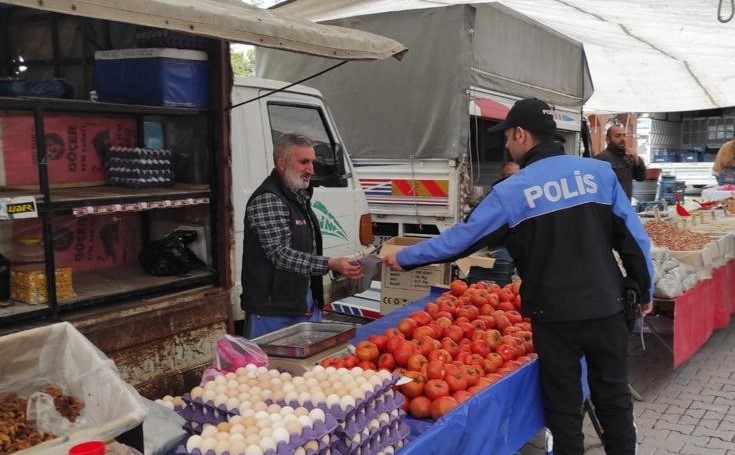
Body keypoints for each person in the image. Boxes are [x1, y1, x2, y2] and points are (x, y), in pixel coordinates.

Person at [383, 98, 654, 455]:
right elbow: (635, 239)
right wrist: (644, 288)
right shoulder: (598, 174)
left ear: (522, 134)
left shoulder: (512, 191)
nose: (507, 145)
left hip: (555, 320)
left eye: (508, 137)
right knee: (614, 401)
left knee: (565, 411)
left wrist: (404, 256)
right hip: (607, 307)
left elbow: (460, 240)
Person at [241, 133, 364, 339]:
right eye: (304, 162)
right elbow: (281, 255)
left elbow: (306, 248)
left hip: (300, 302)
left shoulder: (299, 196)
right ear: (282, 163)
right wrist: (330, 263)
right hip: (273, 311)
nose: (311, 170)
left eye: (312, 162)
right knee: (270, 368)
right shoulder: (268, 199)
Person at [594, 125, 646, 200]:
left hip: (626, 206)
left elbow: (641, 177)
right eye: (617, 136)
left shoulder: (627, 157)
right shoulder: (601, 159)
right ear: (608, 140)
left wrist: (637, 160)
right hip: (610, 208)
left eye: (623, 135)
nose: (622, 139)